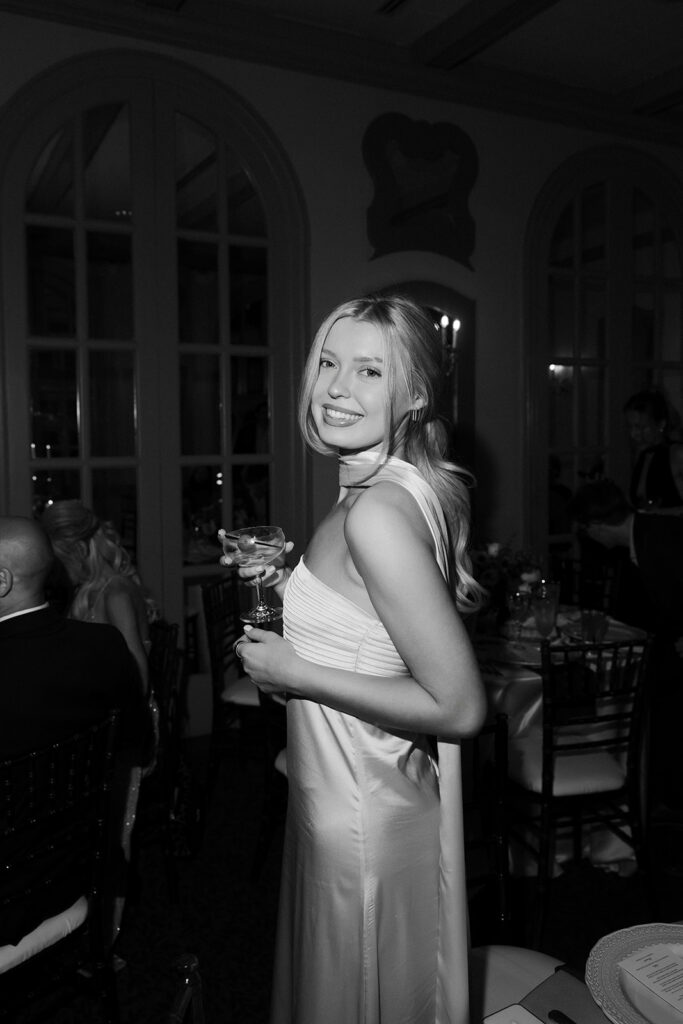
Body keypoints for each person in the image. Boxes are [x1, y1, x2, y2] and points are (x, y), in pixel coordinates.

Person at [223, 295, 487, 1024]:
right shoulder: (388, 486)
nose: (337, 389)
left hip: (360, 818)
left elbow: (461, 709)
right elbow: (373, 631)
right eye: (329, 363)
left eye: (370, 370)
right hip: (344, 796)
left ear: (416, 393)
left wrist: (292, 671)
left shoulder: (374, 511)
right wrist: (290, 589)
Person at [0, 515, 151, 946]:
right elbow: (136, 746)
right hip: (78, 868)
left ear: (2, 581)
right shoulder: (102, 645)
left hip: (10, 897)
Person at [570, 479, 683, 816]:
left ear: (599, 526)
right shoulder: (640, 539)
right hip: (668, 643)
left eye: (585, 528)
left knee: (664, 702)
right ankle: (656, 792)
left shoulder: (660, 539)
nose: (586, 536)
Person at [42, 499, 154, 691]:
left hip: (123, 715)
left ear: (79, 550)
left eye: (60, 563)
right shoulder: (89, 591)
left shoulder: (116, 595)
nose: (56, 573)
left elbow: (138, 681)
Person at [623, 389, 683, 510]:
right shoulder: (644, 454)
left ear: (661, 424)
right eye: (630, 427)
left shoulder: (677, 454)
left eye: (641, 427)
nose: (633, 434)